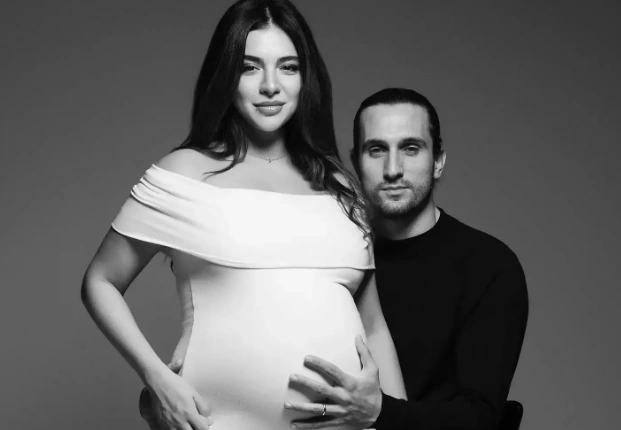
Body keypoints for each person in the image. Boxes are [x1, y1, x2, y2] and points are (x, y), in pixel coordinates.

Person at [80, 1, 407, 430]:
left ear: (306, 78)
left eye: (288, 67)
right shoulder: (184, 173)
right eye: (250, 67)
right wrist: (156, 378)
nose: (270, 85)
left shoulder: (340, 186)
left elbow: (374, 325)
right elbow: (100, 281)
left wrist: (398, 419)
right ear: (226, 76)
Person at [282, 88, 529, 430]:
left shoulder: (489, 267)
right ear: (356, 161)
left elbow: (479, 418)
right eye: (377, 150)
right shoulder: (335, 257)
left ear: (438, 161)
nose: (393, 169)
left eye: (410, 148)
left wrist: (379, 413)